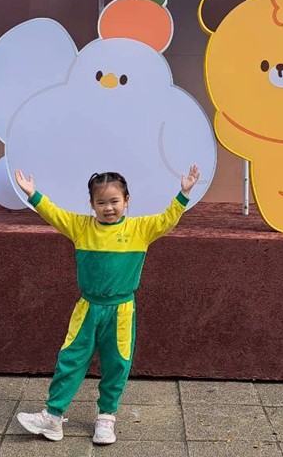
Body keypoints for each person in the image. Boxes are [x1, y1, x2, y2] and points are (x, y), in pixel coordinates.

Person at [13, 164, 201, 445]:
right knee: (70, 359)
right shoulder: (81, 227)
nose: (108, 208)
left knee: (117, 364)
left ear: (126, 201)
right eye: (101, 202)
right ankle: (53, 417)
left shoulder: (140, 229)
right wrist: (33, 194)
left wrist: (183, 194)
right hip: (88, 308)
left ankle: (106, 418)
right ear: (92, 204)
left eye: (114, 201)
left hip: (121, 310)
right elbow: (55, 214)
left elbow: (167, 219)